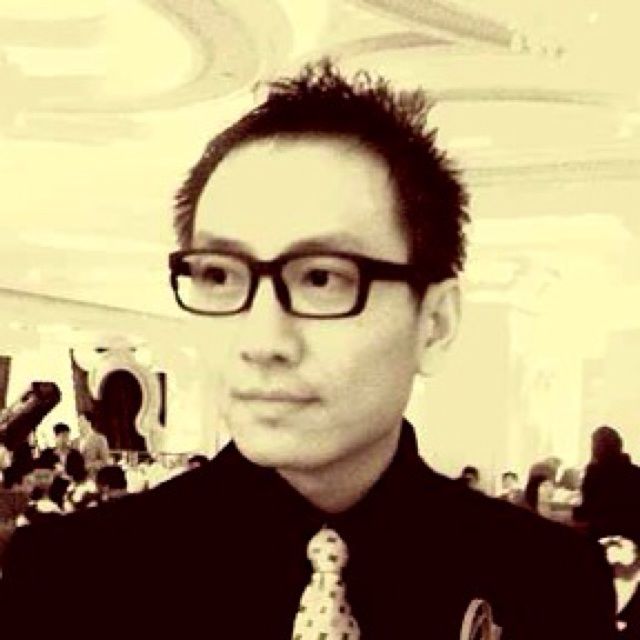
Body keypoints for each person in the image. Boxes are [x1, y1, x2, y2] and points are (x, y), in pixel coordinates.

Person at [0, 60, 616, 638]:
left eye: (322, 278)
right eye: (220, 275)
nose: (262, 341)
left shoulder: (548, 580)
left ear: (435, 324)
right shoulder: (70, 577)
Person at [574, 425, 640, 544]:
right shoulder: (636, 473)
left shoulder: (594, 473)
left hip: (600, 537)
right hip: (632, 538)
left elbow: (588, 510)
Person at [71, 410, 111, 474]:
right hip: (77, 477)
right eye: (78, 422)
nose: (78, 424)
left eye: (81, 421)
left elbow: (105, 461)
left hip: (94, 476)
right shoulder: (74, 442)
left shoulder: (100, 439)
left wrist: (89, 465)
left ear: (89, 423)